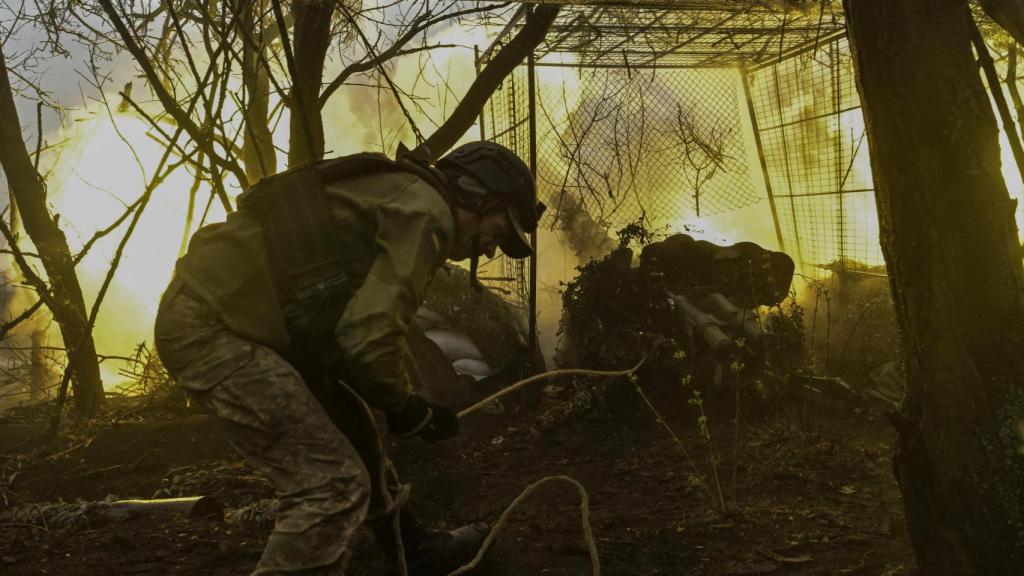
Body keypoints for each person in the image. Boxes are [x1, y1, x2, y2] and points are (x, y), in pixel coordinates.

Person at [154, 141, 543, 575]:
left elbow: (344, 324)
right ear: (477, 193)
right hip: (212, 328)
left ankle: (411, 550)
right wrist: (409, 408)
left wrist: (394, 399)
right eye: (499, 228)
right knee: (332, 486)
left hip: (243, 319)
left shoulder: (403, 191)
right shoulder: (425, 214)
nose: (491, 248)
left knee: (356, 433)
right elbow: (368, 337)